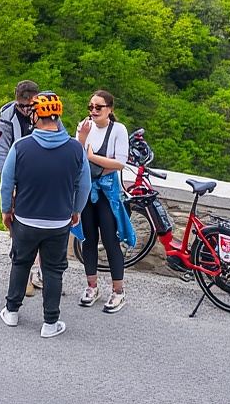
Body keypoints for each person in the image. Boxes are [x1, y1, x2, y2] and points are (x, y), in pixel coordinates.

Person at [0, 91, 90, 338]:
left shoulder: (21, 147)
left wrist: (6, 211)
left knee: (20, 263)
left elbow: (6, 184)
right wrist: (76, 211)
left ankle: (12, 311)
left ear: (36, 115)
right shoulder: (75, 149)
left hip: (26, 219)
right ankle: (50, 323)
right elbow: (84, 186)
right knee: (53, 270)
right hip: (59, 221)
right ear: (58, 116)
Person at [75, 89, 131, 313]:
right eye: (91, 107)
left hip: (107, 192)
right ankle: (92, 286)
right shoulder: (84, 127)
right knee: (88, 239)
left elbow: (119, 163)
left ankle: (118, 290)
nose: (94, 111)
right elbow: (76, 157)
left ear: (110, 109)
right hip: (88, 190)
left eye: (99, 107)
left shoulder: (118, 129)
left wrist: (92, 158)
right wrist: (81, 139)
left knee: (110, 239)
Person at [0, 79, 40, 295]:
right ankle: (23, 276)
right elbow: (1, 153)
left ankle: (39, 272)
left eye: (30, 106)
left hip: (42, 179)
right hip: (20, 180)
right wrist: (10, 181)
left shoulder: (47, 111)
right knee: (18, 230)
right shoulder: (7, 118)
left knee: (43, 227)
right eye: (22, 106)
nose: (26, 111)